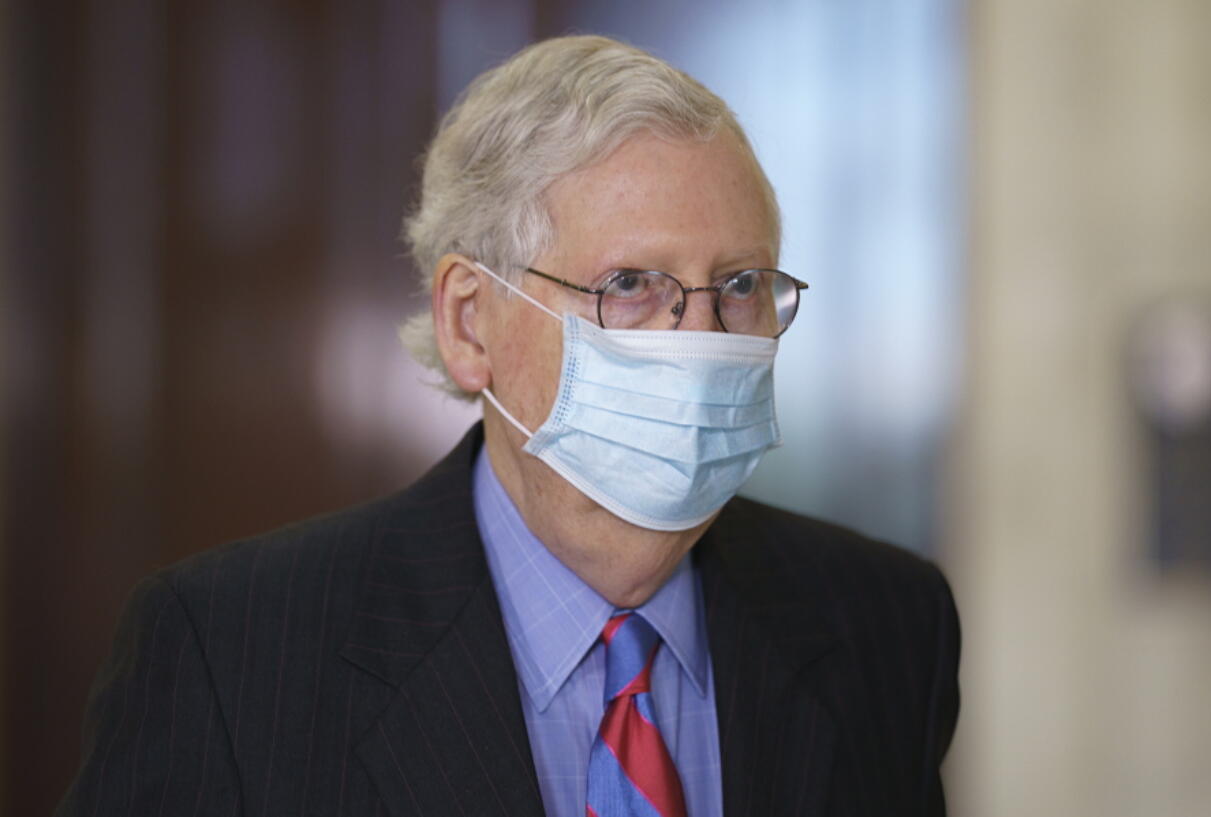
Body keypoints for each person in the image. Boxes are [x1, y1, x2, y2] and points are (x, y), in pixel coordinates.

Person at [58, 35, 959, 817]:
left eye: (739, 287)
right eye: (631, 286)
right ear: (470, 322)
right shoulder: (233, 657)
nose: (702, 343)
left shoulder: (885, 623)